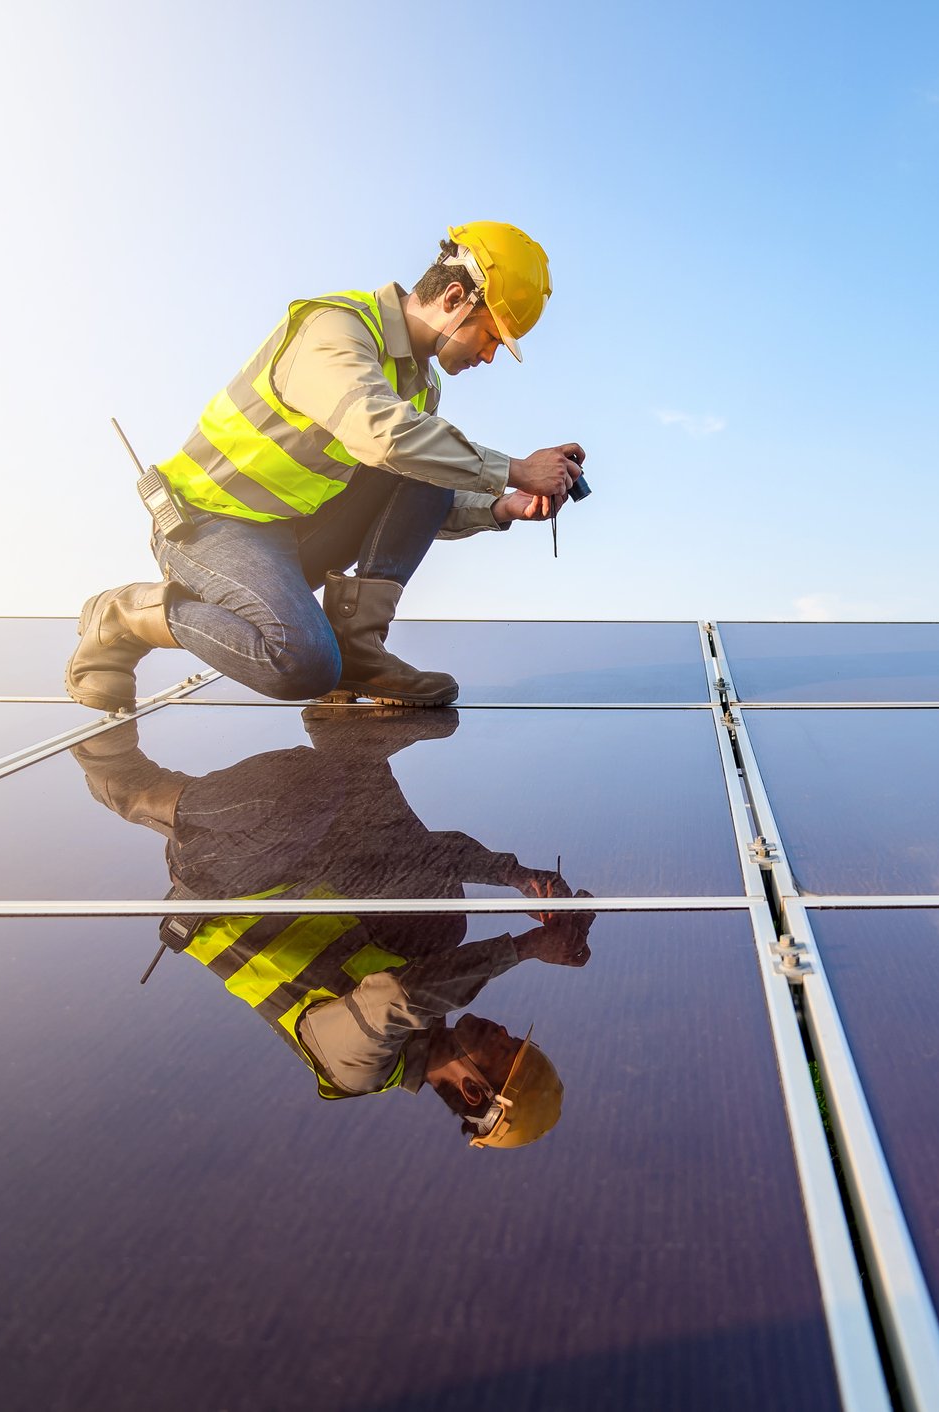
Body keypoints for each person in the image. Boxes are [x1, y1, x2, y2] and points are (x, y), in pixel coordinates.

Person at [65, 221, 586, 712]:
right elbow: (381, 432)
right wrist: (515, 468)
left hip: (286, 539)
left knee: (435, 463)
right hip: (206, 525)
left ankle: (358, 651)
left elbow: (416, 491)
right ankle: (121, 615)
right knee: (303, 665)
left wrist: (501, 505)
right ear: (454, 300)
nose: (490, 357)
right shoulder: (336, 328)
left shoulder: (421, 388)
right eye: (492, 337)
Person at [73, 706, 593, 1147]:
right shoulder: (431, 960)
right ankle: (346, 730)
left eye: (507, 1051)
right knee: (441, 924)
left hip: (219, 882)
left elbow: (394, 997)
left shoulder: (357, 1070)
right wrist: (518, 877)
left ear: (476, 1092)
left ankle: (125, 784)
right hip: (288, 867)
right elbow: (425, 856)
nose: (504, 1031)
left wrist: (526, 947)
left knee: (310, 790)